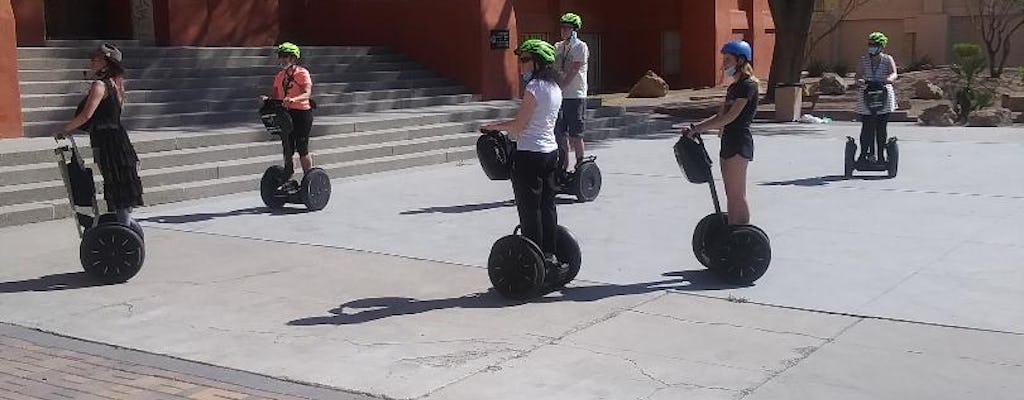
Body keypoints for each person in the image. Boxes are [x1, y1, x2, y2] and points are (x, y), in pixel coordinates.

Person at [481, 39, 564, 266]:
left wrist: (494, 126)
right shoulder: (555, 88)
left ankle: (534, 258)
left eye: (525, 59)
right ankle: (549, 253)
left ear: (537, 63)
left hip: (529, 154)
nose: (521, 64)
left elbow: (519, 126)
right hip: (550, 152)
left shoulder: (534, 88)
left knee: (530, 209)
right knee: (547, 205)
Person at [56, 43, 143, 222]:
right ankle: (125, 224)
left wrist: (64, 130)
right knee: (121, 183)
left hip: (106, 140)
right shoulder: (117, 84)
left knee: (115, 182)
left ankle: (123, 229)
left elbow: (87, 114)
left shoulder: (100, 85)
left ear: (106, 62)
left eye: (95, 59)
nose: (91, 61)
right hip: (118, 137)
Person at [682, 40, 758, 225]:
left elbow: (731, 117)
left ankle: (744, 235)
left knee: (737, 194)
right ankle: (732, 231)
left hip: (740, 142)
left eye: (728, 59)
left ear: (740, 61)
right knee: (729, 194)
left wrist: (699, 129)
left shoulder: (748, 86)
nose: (724, 64)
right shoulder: (733, 88)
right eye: (724, 59)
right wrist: (695, 128)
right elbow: (720, 116)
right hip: (728, 141)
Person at [262, 42, 315, 185]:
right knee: (287, 147)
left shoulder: (302, 73)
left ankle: (308, 180)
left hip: (302, 114)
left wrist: (293, 99)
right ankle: (288, 177)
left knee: (302, 147)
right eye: (280, 56)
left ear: (293, 58)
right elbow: (276, 96)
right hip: (286, 114)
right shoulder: (279, 76)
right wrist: (268, 100)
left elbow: (307, 93)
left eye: (285, 56)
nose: (282, 59)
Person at [553, 12, 589, 173]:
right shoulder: (557, 46)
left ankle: (580, 165)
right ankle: (563, 165)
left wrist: (559, 87)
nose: (564, 30)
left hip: (575, 95)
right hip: (560, 97)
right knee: (560, 134)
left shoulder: (580, 47)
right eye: (562, 27)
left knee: (576, 134)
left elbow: (574, 70)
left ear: (575, 30)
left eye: (567, 28)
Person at [855, 31, 898, 162]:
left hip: (883, 92)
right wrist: (860, 81)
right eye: (870, 44)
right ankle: (864, 154)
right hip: (868, 93)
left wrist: (888, 79)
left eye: (874, 45)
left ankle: (880, 155)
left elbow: (894, 73)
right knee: (866, 126)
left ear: (881, 46)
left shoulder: (887, 59)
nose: (871, 47)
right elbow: (857, 76)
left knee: (881, 126)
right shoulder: (864, 60)